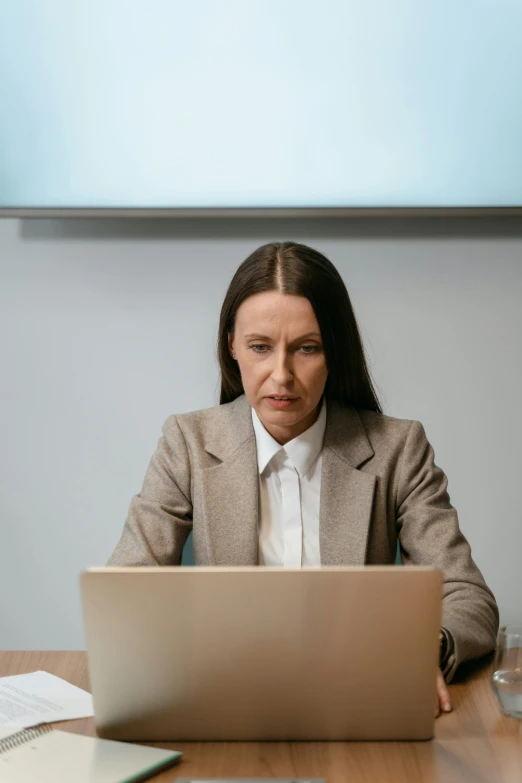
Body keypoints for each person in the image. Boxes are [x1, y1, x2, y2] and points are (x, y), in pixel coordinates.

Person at [108, 241, 499, 717]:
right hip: (227, 698)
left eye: (306, 349)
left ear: (334, 351)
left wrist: (424, 648)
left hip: (358, 700)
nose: (282, 375)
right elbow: (127, 587)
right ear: (231, 345)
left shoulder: (399, 448)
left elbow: (468, 596)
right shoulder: (186, 442)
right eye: (259, 347)